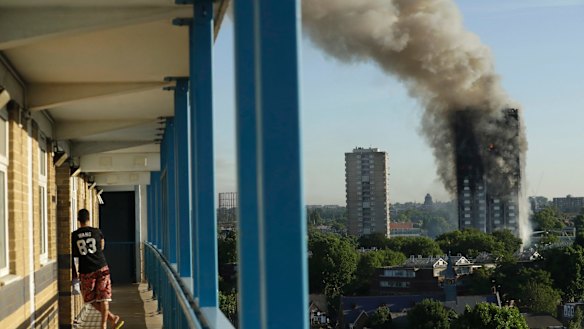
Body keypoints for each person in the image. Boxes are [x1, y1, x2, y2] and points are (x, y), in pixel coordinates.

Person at [72, 209, 124, 329]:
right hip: (101, 266)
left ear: (78, 220)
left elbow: (74, 254)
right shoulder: (96, 232)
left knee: (89, 299)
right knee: (104, 297)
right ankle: (105, 323)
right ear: (89, 218)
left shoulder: (74, 235)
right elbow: (102, 246)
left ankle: (111, 319)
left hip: (86, 270)